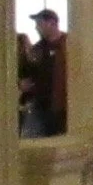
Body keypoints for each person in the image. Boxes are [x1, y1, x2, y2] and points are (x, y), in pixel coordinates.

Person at [22, 7, 68, 137]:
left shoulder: (68, 45)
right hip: (39, 106)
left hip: (61, 107)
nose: (37, 28)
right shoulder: (37, 49)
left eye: (40, 24)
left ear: (52, 23)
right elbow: (28, 71)